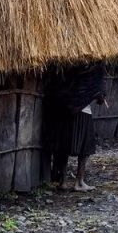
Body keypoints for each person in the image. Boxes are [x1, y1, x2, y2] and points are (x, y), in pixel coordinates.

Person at [43, 63, 107, 191]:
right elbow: (99, 96)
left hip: (64, 111)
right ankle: (79, 182)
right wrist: (100, 96)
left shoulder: (67, 68)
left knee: (64, 147)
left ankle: (63, 181)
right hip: (83, 113)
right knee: (85, 148)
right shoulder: (94, 71)